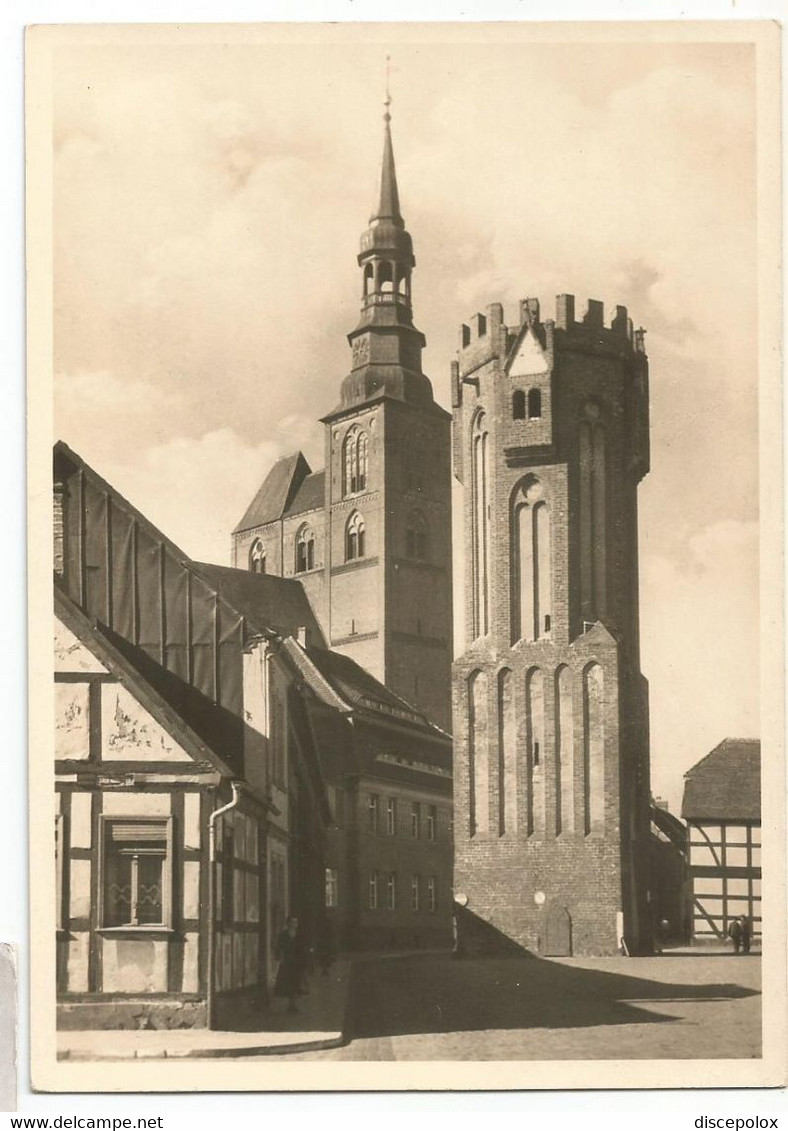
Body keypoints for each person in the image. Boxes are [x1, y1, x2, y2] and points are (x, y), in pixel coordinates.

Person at [274, 915, 308, 1012]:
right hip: (287, 962)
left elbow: (303, 948)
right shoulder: (283, 935)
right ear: (288, 923)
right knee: (288, 983)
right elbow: (279, 947)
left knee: (296, 983)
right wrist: (279, 956)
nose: (294, 924)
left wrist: (304, 961)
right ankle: (290, 1004)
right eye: (292, 922)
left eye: (296, 922)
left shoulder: (299, 935)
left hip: (297, 962)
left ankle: (293, 1004)